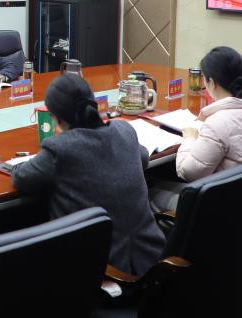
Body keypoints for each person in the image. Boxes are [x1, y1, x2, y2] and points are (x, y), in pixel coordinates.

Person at [11, 74, 165, 275]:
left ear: (56, 117)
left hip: (102, 269)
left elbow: (21, 178)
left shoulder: (60, 148)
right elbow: (142, 158)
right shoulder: (124, 130)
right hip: (152, 258)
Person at [150, 46, 242, 211]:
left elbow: (188, 173)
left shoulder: (219, 122)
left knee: (149, 190)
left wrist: (190, 139)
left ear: (212, 82)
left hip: (225, 208)